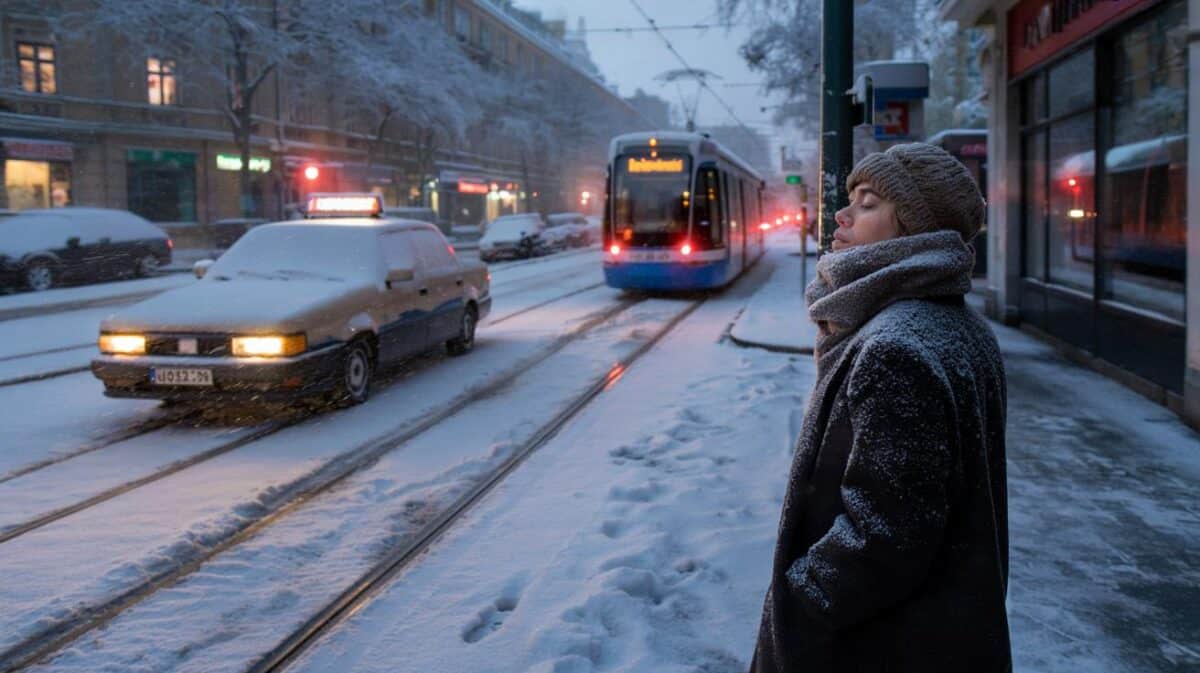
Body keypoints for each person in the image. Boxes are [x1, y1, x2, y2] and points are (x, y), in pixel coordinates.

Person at [752, 143, 1011, 672]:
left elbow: (888, 533)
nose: (842, 215)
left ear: (915, 228)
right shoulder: (959, 326)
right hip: (941, 632)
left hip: (875, 648)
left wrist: (802, 603)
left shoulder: (894, 348)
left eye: (868, 203)